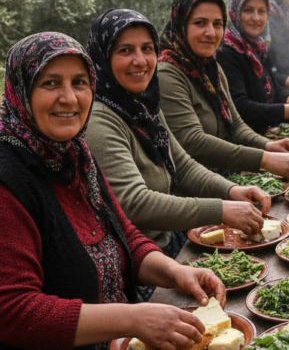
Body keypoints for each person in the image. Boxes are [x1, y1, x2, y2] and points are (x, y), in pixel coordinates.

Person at [0, 32, 227, 349]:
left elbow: (125, 236)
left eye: (79, 82)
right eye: (50, 83)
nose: (70, 98)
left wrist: (176, 273)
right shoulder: (9, 180)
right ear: (21, 91)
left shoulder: (76, 156)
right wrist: (133, 319)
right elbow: (13, 311)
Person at [85, 9, 269, 262]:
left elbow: (182, 167)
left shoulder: (143, 105)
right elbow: (135, 203)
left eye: (147, 49)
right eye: (125, 51)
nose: (140, 60)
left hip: (171, 243)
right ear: (102, 56)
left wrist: (232, 190)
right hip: (142, 263)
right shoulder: (99, 119)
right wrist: (221, 210)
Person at [157, 0, 289, 181]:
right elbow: (193, 141)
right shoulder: (168, 74)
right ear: (180, 24)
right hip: (198, 187)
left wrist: (269, 145)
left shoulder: (211, 68)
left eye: (217, 24)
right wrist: (264, 159)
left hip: (227, 177)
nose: (211, 32)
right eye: (200, 23)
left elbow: (235, 125)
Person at [218, 0, 289, 134]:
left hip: (269, 130)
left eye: (262, 11)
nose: (256, 18)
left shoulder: (258, 47)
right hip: (246, 138)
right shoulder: (226, 52)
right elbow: (240, 107)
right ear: (235, 13)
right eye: (248, 10)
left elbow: (274, 87)